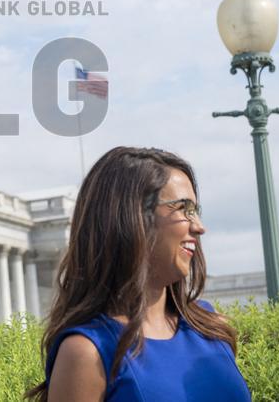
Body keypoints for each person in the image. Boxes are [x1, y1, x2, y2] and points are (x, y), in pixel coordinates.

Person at [28, 147, 250, 401]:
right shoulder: (87, 351)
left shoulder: (210, 325)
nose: (199, 227)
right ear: (131, 218)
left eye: (196, 210)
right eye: (183, 209)